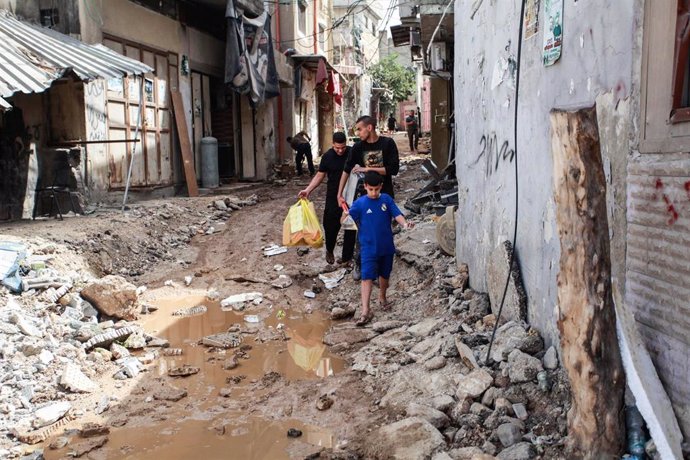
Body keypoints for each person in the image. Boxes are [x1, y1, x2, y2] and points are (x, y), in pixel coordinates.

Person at [342, 171, 413, 326]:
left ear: (381, 186)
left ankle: (382, 297)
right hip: (367, 248)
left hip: (386, 246)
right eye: (370, 189)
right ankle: (365, 310)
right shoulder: (359, 204)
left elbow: (397, 214)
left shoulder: (386, 200)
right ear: (365, 187)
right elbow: (346, 221)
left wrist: (405, 224)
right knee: (366, 277)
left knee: (384, 274)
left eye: (376, 189)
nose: (374, 193)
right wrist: (344, 214)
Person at [336, 115, 400, 279]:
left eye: (359, 129)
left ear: (369, 128)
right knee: (363, 232)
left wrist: (366, 169)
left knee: (382, 232)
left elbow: (393, 169)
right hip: (364, 198)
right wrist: (340, 194)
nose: (357, 132)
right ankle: (361, 264)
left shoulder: (387, 144)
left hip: (384, 196)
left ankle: (381, 270)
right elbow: (346, 170)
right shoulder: (357, 148)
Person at [298, 132, 356, 266]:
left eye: (343, 147)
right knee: (330, 226)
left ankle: (347, 257)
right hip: (333, 195)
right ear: (332, 145)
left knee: (351, 226)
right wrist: (308, 190)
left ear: (346, 144)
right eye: (337, 148)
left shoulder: (353, 153)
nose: (340, 151)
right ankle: (329, 249)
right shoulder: (328, 156)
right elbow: (320, 176)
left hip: (351, 194)